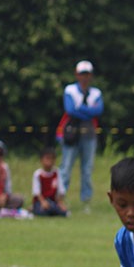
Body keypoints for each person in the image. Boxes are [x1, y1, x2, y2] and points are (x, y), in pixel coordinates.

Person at [56, 60, 103, 209]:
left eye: (87, 74)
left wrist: (80, 108)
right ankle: (59, 200)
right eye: (82, 74)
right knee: (66, 167)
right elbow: (70, 110)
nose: (85, 77)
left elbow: (98, 111)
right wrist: (88, 111)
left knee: (87, 169)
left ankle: (86, 202)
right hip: (71, 134)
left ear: (91, 76)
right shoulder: (70, 90)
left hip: (89, 135)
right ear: (77, 74)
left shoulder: (96, 93)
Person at [32, 146, 69, 216]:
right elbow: (37, 192)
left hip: (53, 201)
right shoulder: (38, 174)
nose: (50, 161)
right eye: (47, 159)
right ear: (41, 160)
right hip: (40, 201)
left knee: (62, 212)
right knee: (43, 212)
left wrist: (60, 203)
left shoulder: (56, 172)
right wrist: (43, 202)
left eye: (52, 159)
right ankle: (33, 208)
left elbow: (61, 190)